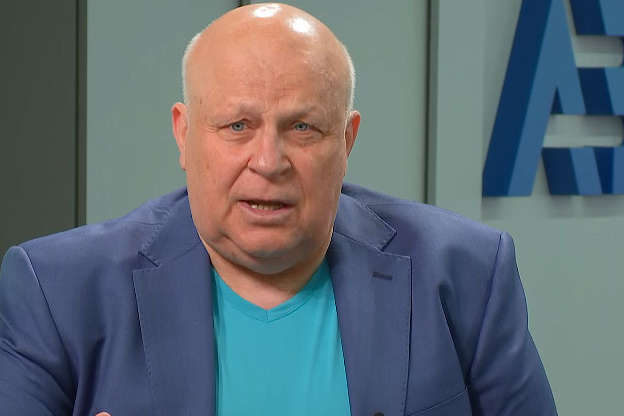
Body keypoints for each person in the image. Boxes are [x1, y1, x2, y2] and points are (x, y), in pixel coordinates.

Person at [0, 3, 557, 415]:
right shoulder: (57, 293)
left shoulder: (465, 273)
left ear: (347, 141)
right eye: (237, 125)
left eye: (303, 127)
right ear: (184, 134)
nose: (268, 161)